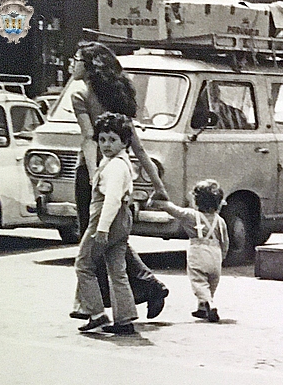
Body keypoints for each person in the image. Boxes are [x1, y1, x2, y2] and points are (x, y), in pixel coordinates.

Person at [68, 42, 170, 321]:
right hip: (121, 176)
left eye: (76, 59)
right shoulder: (116, 96)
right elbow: (138, 149)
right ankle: (95, 303)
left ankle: (101, 303)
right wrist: (159, 187)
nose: (71, 64)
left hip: (95, 175)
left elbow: (89, 139)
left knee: (94, 239)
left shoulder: (79, 94)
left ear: (88, 67)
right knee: (114, 237)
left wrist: (93, 177)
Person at [74, 113, 138, 335]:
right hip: (122, 220)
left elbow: (111, 199)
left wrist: (101, 229)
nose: (106, 145)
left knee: (83, 264)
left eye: (112, 140)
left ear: (124, 142)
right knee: (116, 269)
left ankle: (97, 313)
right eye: (102, 140)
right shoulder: (120, 162)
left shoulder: (114, 167)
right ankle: (124, 318)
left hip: (105, 219)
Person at [148, 180, 230, 323]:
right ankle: (203, 308)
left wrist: (157, 203)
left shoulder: (191, 215)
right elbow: (225, 241)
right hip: (215, 253)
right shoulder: (220, 220)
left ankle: (209, 304)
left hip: (198, 251)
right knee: (211, 282)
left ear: (196, 201)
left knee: (199, 281)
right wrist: (222, 255)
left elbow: (173, 209)